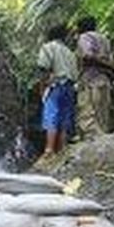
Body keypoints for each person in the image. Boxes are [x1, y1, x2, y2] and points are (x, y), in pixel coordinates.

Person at [37, 24, 78, 158]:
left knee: (51, 116)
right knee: (65, 118)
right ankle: (62, 150)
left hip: (55, 86)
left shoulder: (48, 47)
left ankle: (49, 150)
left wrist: (42, 88)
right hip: (70, 87)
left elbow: (43, 68)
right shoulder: (70, 52)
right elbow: (75, 74)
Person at [76, 16, 114, 137]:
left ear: (81, 27)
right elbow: (110, 58)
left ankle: (93, 141)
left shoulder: (84, 37)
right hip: (104, 78)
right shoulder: (104, 39)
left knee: (88, 112)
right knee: (102, 112)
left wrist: (108, 67)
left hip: (90, 79)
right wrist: (110, 68)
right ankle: (104, 138)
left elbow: (87, 56)